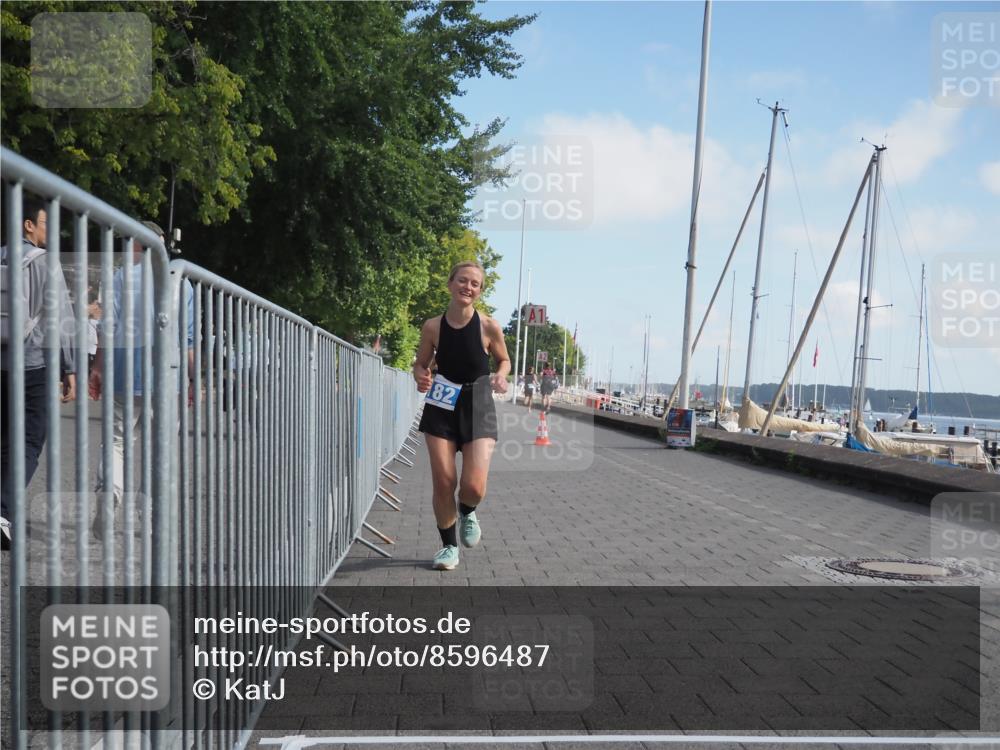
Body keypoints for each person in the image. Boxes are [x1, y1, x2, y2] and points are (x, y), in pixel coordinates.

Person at [88, 221, 194, 535]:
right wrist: (191, 380)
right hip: (167, 376)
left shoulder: (120, 277)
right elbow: (187, 338)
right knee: (158, 448)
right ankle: (148, 518)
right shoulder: (180, 284)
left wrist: (97, 366)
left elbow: (107, 328)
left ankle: (110, 494)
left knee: (117, 442)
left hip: (124, 371)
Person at [412, 261, 510, 571]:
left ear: (480, 291)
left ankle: (468, 510)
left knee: (473, 486)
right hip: (442, 403)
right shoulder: (433, 327)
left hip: (478, 401)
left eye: (475, 284)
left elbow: (504, 360)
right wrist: (421, 376)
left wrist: (501, 376)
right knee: (444, 481)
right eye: (462, 281)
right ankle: (448, 547)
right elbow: (420, 364)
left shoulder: (489, 326)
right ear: (450, 283)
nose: (468, 287)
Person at [1, 197, 78, 550]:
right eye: (45, 223)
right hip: (32, 364)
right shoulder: (45, 263)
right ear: (28, 225)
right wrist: (70, 367)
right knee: (30, 441)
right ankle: (3, 512)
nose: (50, 231)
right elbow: (61, 320)